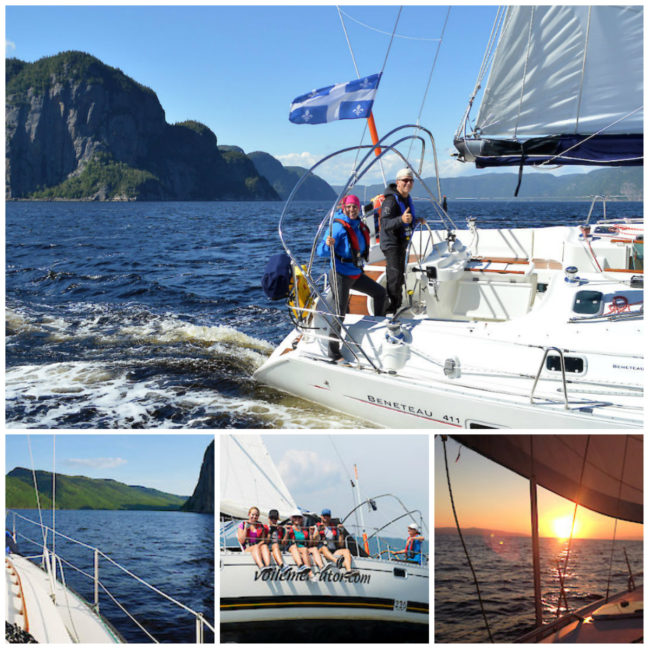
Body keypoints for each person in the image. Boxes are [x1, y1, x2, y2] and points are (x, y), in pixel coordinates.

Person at [317, 194, 387, 360]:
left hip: (355, 273)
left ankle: (377, 325)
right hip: (340, 274)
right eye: (348, 207)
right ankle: (333, 352)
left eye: (354, 206)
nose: (351, 209)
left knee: (380, 293)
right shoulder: (337, 227)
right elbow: (321, 252)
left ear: (358, 207)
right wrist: (327, 244)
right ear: (343, 207)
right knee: (339, 312)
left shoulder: (359, 225)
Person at [379, 168, 425, 314]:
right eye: (405, 180)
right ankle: (390, 309)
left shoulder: (405, 199)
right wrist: (401, 219)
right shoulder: (391, 201)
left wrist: (416, 220)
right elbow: (385, 224)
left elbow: (406, 220)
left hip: (401, 242)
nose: (408, 183)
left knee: (400, 274)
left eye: (411, 180)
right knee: (395, 275)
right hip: (391, 243)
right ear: (398, 182)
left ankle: (397, 304)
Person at [312, 508, 358, 577]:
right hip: (321, 550)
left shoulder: (334, 528)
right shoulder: (316, 526)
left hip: (333, 551)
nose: (326, 517)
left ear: (330, 517)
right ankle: (336, 561)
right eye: (324, 515)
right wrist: (318, 531)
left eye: (327, 516)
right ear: (321, 516)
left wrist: (341, 532)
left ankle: (348, 571)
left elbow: (341, 544)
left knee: (346, 550)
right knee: (324, 548)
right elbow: (314, 542)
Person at [237, 506, 273, 575]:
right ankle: (261, 567)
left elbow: (263, 540)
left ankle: (268, 566)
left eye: (256, 515)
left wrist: (259, 545)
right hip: (247, 548)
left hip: (257, 546)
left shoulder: (260, 526)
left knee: (265, 546)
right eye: (252, 514)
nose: (254, 516)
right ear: (249, 514)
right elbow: (241, 541)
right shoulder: (243, 525)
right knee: (256, 547)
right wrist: (245, 529)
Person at [282, 512, 315, 577]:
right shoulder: (288, 528)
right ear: (292, 519)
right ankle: (303, 567)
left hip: (302, 548)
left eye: (299, 517)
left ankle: (310, 571)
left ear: (301, 519)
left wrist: (311, 534)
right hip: (292, 547)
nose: (297, 519)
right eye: (295, 517)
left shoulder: (304, 530)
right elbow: (284, 543)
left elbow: (310, 544)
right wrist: (287, 533)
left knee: (306, 549)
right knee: (295, 547)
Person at [265, 509, 291, 576]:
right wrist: (270, 531)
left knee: (276, 545)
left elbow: (283, 543)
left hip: (279, 547)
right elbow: (266, 542)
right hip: (269, 546)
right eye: (272, 518)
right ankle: (282, 565)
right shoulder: (265, 527)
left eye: (275, 519)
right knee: (275, 545)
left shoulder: (281, 529)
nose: (273, 520)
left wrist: (287, 533)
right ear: (268, 518)